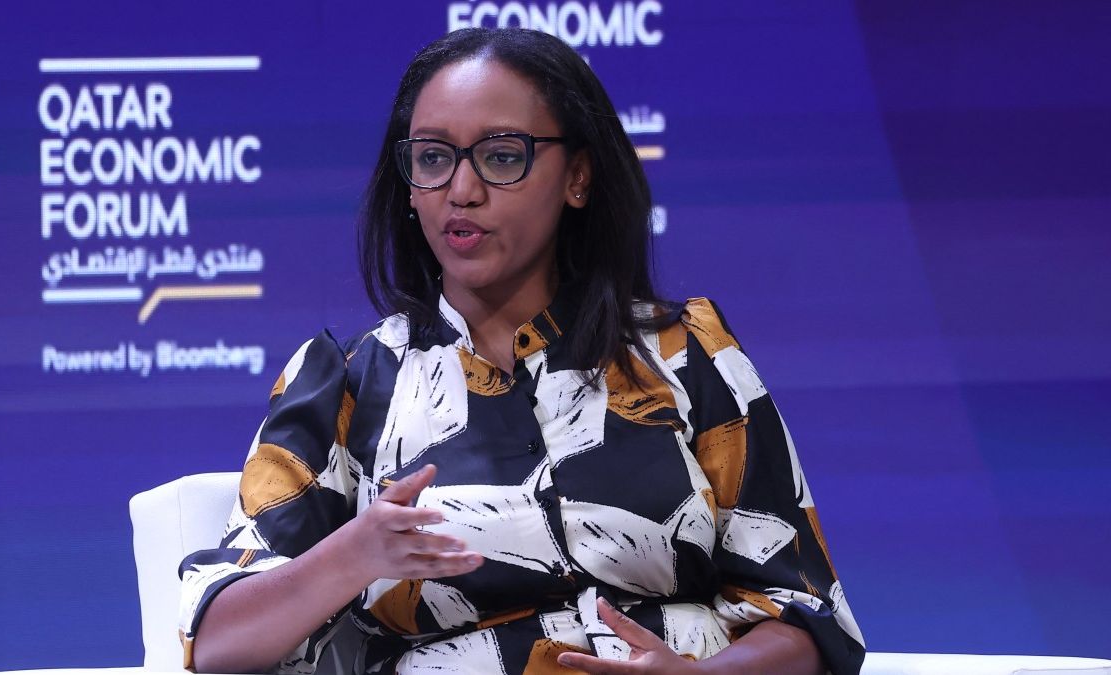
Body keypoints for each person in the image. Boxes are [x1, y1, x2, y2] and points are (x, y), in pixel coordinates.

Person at [178, 27, 864, 675]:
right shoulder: (348, 380)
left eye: (503, 156)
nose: (463, 190)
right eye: (433, 158)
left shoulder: (684, 353)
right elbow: (214, 637)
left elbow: (806, 612)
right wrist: (353, 553)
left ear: (579, 177)